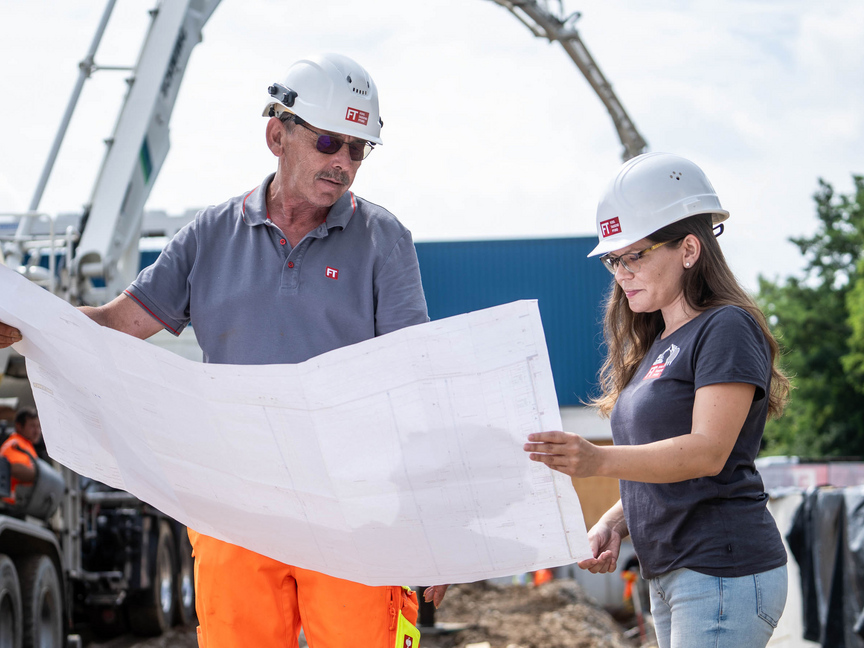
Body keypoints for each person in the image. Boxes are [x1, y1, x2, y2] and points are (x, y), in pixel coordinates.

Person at [0, 53, 429, 648]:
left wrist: (434, 525)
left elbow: (417, 383)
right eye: (330, 141)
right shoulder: (210, 235)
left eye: (358, 149)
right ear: (277, 134)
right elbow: (116, 323)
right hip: (235, 506)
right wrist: (25, 323)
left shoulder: (386, 240)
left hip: (353, 508)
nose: (344, 164)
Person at [524, 152, 790, 648]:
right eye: (613, 259)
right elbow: (667, 470)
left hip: (720, 568)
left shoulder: (725, 326)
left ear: (689, 249)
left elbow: (707, 452)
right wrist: (615, 520)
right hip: (672, 574)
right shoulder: (658, 345)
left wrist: (597, 460)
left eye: (635, 255)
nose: (621, 272)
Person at [1, 407, 42, 505]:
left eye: (38, 426)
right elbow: (14, 468)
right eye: (32, 426)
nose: (37, 431)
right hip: (10, 505)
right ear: (19, 426)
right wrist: (42, 476)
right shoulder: (15, 443)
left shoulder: (27, 445)